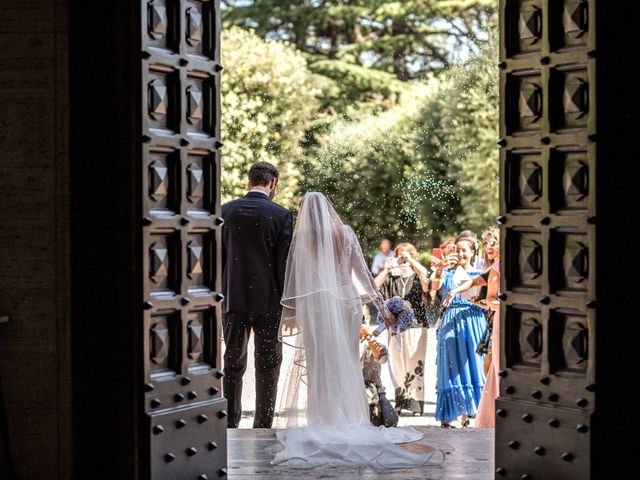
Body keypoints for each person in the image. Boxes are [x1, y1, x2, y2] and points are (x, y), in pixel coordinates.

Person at [273, 192, 443, 468]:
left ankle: (322, 420)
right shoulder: (345, 232)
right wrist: (382, 307)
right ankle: (349, 419)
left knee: (320, 364)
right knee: (346, 362)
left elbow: (298, 280)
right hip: (346, 304)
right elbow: (362, 273)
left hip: (316, 305)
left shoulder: (302, 239)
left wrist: (293, 312)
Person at [221, 161, 293, 428]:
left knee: (232, 362)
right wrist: (286, 303)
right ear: (272, 183)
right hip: (269, 303)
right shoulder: (281, 215)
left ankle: (230, 422)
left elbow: (218, 260)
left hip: (232, 298)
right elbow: (283, 264)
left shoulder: (225, 211)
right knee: (268, 365)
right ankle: (263, 424)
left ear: (249, 180)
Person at [444, 227, 501, 428]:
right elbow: (475, 282)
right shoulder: (494, 267)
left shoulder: (499, 267)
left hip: (499, 323)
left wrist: (493, 303)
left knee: (493, 368)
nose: (488, 247)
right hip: (495, 321)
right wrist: (455, 291)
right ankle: (494, 411)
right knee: (488, 368)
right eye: (486, 244)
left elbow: (493, 297)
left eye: (492, 243)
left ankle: (496, 412)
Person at [431, 235, 487, 428]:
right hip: (451, 320)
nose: (461, 253)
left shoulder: (481, 273)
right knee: (450, 365)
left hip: (475, 320)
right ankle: (448, 415)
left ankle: (473, 412)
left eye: (465, 250)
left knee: (474, 364)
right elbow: (433, 289)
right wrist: (439, 269)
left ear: (473, 252)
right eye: (458, 250)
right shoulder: (446, 273)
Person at [374, 243, 430, 416]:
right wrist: (385, 269)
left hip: (417, 325)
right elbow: (374, 287)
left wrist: (411, 260)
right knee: (398, 364)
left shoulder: (417, 276)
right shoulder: (391, 278)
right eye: (400, 255)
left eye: (406, 255)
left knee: (415, 363)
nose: (403, 259)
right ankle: (400, 401)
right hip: (395, 325)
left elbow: (426, 279)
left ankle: (416, 404)